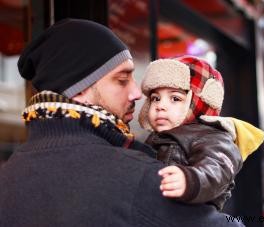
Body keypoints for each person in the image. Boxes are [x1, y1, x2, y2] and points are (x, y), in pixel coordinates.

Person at [0, 19, 244, 227]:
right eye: (122, 79)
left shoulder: (7, 179)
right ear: (79, 90)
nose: (137, 93)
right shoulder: (134, 176)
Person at [138, 56, 264, 211]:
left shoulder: (211, 136)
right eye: (155, 98)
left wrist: (190, 180)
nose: (160, 106)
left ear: (199, 103)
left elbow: (218, 167)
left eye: (175, 98)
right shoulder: (154, 138)